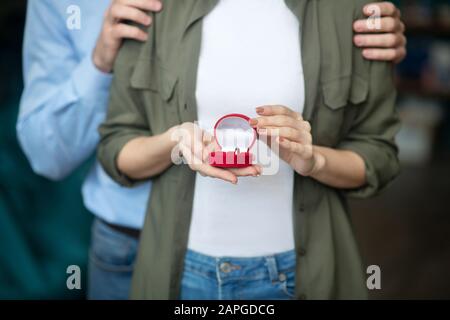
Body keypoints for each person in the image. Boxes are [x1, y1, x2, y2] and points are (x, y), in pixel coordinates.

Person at [19, 0, 406, 299]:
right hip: (147, 249)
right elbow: (74, 148)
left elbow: (378, 151)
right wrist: (102, 63)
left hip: (296, 258)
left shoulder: (349, 14)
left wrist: (315, 158)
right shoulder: (149, 12)